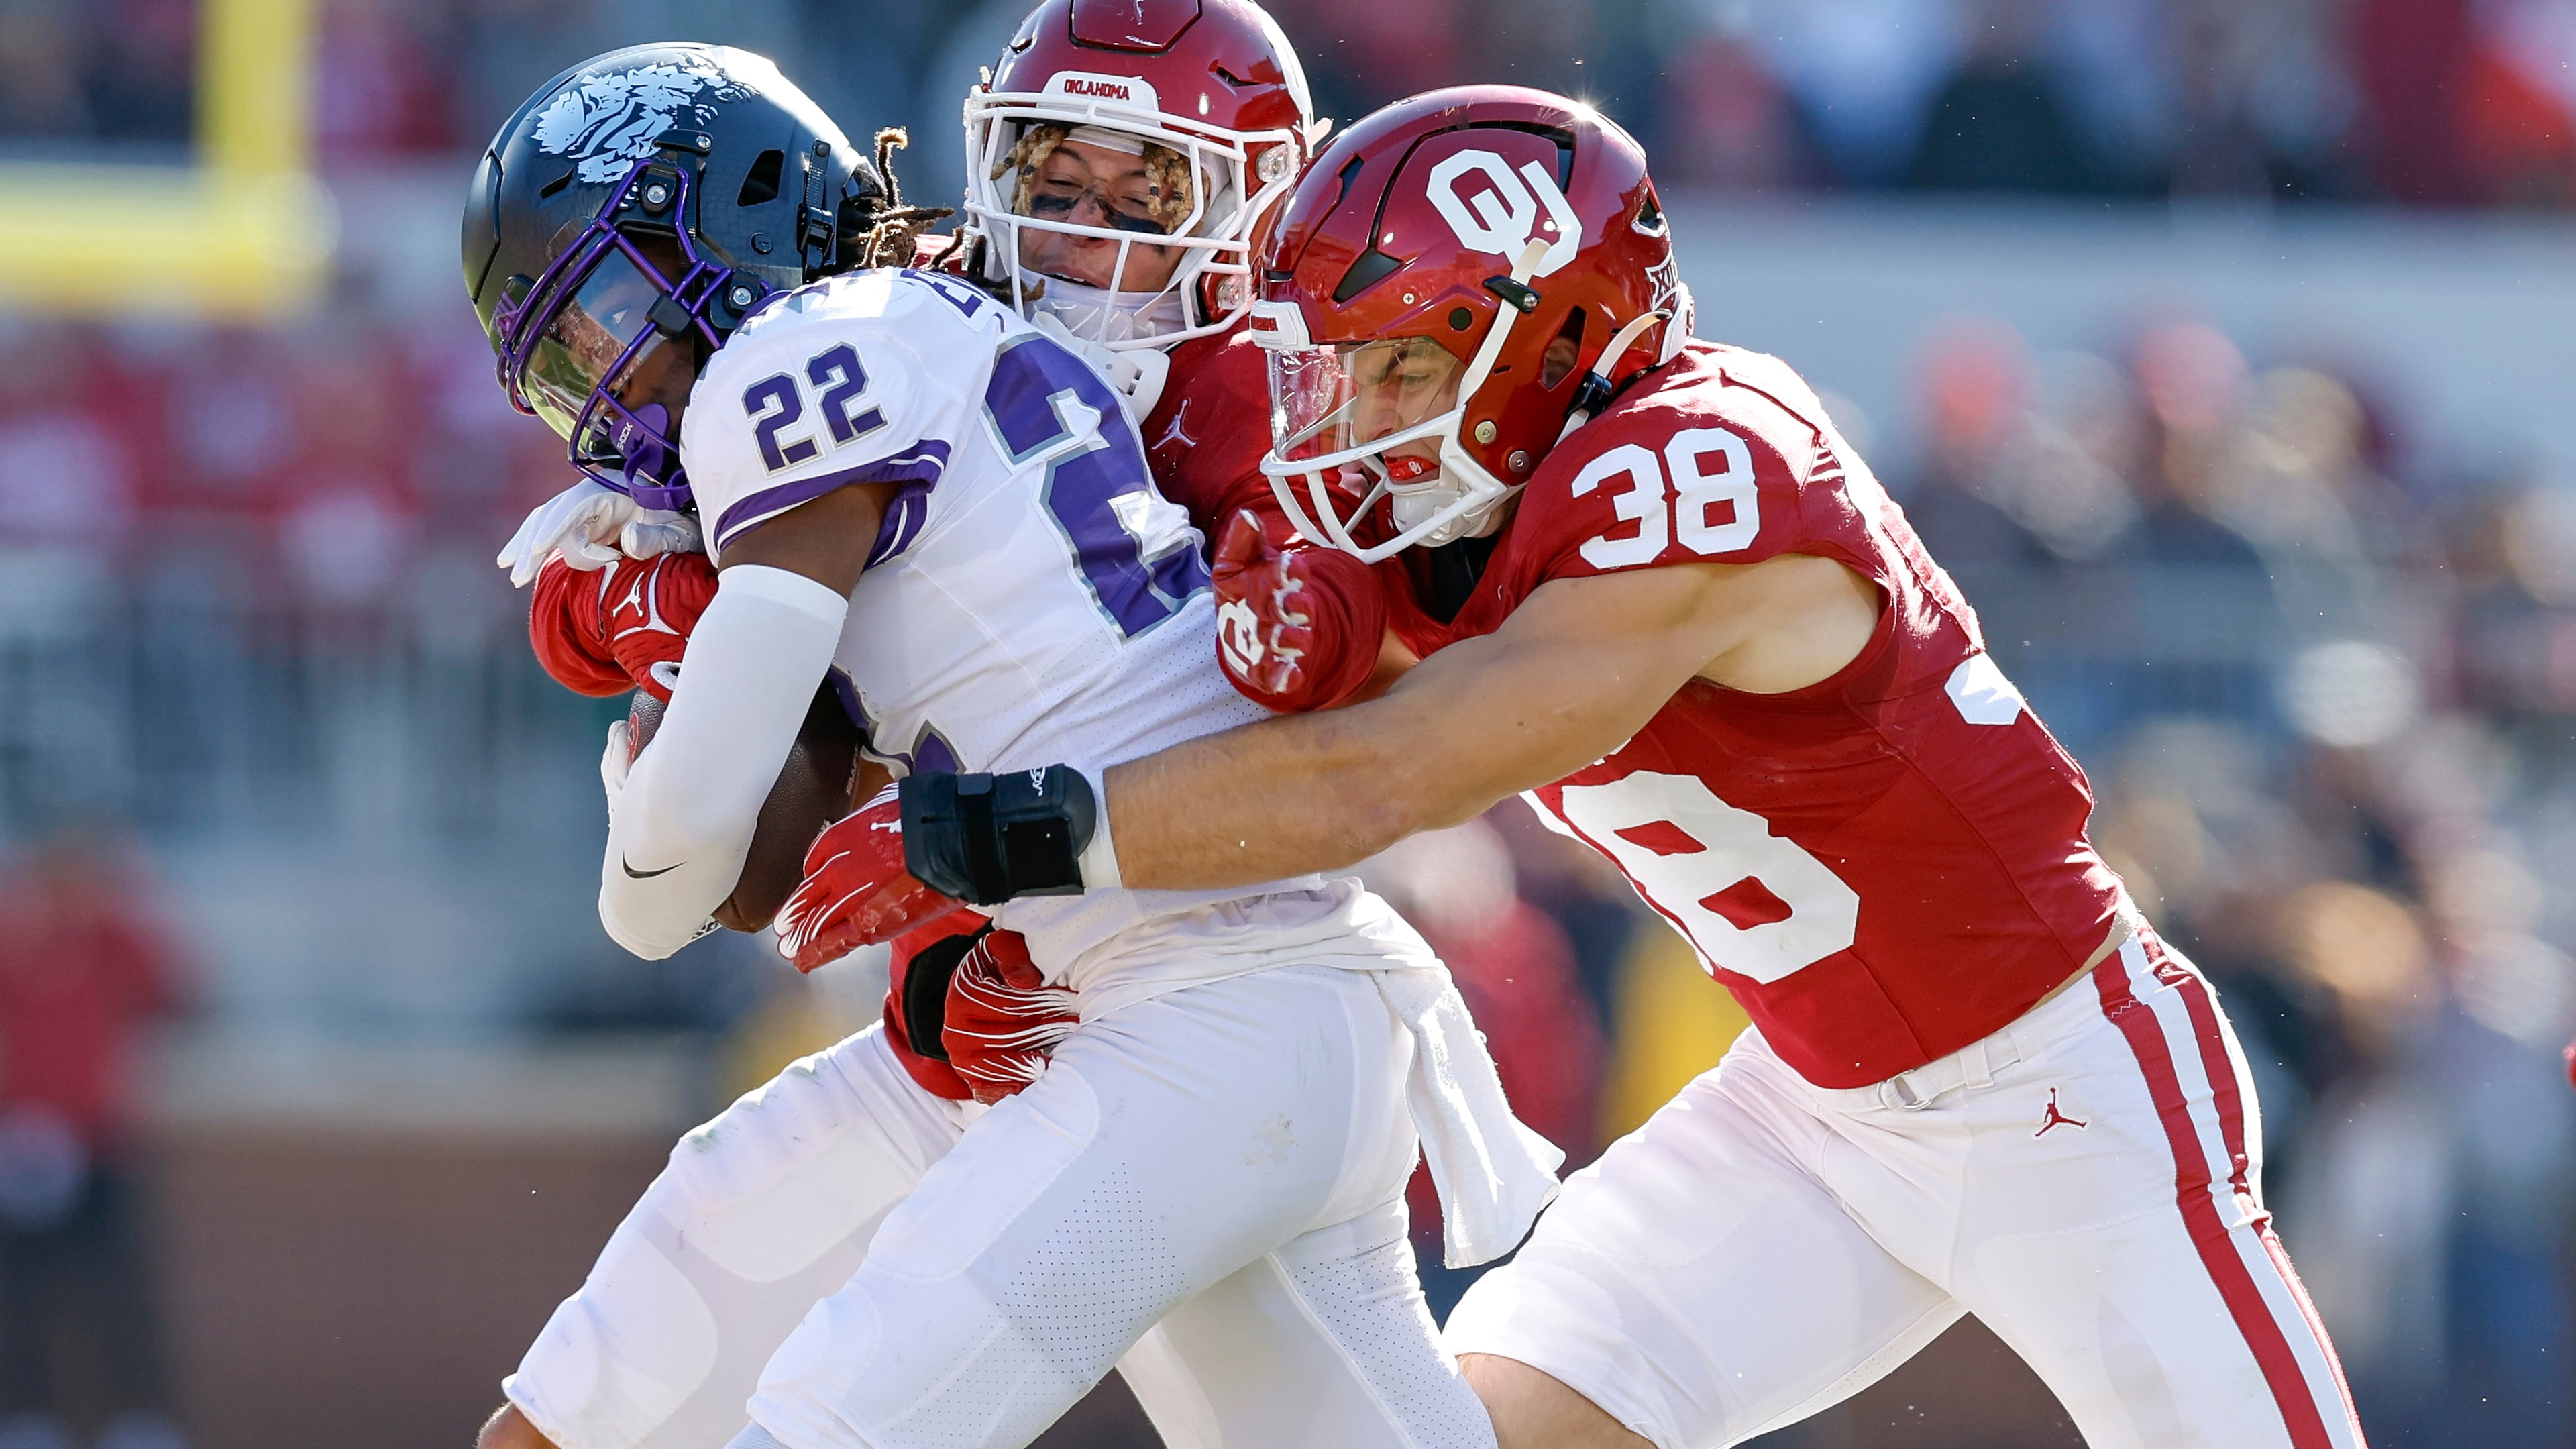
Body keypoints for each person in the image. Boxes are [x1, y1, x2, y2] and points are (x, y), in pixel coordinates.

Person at [785, 86, 2371, 1449]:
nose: (1353, 415)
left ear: (1551, 339)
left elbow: (1375, 780)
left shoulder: (1707, 473)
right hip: (1812, 1111)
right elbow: (1175, 672)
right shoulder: (1469, 499)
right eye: (1340, 363)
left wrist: (1003, 838)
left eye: (1400, 368)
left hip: (2062, 1093)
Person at [464, 42, 1553, 1449]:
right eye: (1052, 177)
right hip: (1025, 1027)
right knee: (580, 1409)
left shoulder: (1293, 418)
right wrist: (661, 610)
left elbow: (1337, 772)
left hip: (1184, 997)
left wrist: (962, 850)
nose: (1078, 237)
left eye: (1141, 194)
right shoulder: (922, 312)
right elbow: (769, 828)